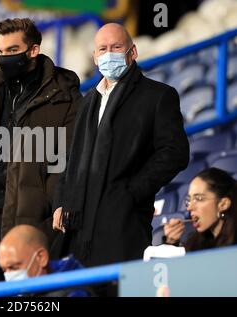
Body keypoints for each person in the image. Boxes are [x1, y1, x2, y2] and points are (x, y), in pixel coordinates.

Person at [52, 23, 190, 267]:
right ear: (94, 58)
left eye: (116, 47)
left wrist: (130, 192)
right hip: (78, 225)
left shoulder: (158, 96)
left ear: (133, 52)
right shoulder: (86, 103)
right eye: (102, 49)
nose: (109, 54)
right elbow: (72, 158)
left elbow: (175, 152)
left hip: (124, 225)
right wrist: (61, 201)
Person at [0, 18, 82, 282]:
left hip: (31, 222)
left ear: (33, 50)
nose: (4, 58)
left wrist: (46, 211)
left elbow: (70, 159)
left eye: (12, 51)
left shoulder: (64, 95)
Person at [0, 224, 90, 297]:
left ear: (41, 258)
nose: (9, 276)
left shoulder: (74, 291)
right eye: (4, 270)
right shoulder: (23, 292)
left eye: (13, 267)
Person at [164, 167, 237, 251]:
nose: (189, 207)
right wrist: (171, 243)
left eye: (198, 199)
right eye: (189, 200)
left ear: (223, 204)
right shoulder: (194, 243)